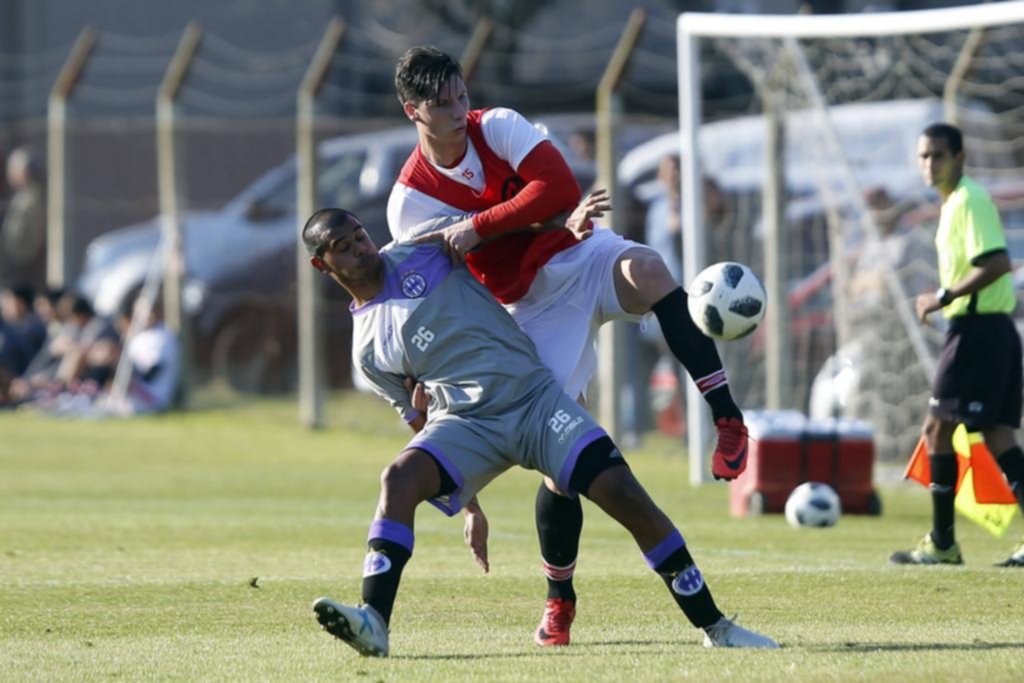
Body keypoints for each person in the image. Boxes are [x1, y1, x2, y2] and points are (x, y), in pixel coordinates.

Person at [387, 46, 750, 646]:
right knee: (561, 461)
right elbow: (452, 291)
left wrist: (483, 226)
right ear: (412, 112)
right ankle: (560, 599)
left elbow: (556, 188)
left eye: (461, 95)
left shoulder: (497, 125)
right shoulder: (411, 203)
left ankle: (728, 418)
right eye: (442, 104)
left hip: (575, 257)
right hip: (524, 309)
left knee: (652, 270)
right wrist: (528, 219)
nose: (459, 110)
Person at [302, 207, 777, 656]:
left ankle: (716, 626)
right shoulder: (367, 351)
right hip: (467, 426)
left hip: (534, 400)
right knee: (398, 478)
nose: (360, 250)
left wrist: (561, 224)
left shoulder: (421, 248)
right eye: (342, 248)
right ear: (322, 266)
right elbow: (417, 420)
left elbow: (503, 227)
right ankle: (374, 622)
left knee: (626, 495)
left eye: (359, 236)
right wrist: (470, 506)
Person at [890, 123, 1024, 567]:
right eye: (924, 156)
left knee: (936, 429)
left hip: (978, 331)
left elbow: (998, 262)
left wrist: (943, 297)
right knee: (999, 435)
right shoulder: (951, 204)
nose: (930, 164)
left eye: (939, 156)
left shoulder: (970, 199)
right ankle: (943, 543)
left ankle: (943, 544)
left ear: (960, 158)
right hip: (987, 330)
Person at [0, 148, 46, 291]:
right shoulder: (22, 197)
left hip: (22, 270)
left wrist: (17, 261)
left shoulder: (30, 200)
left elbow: (30, 239)